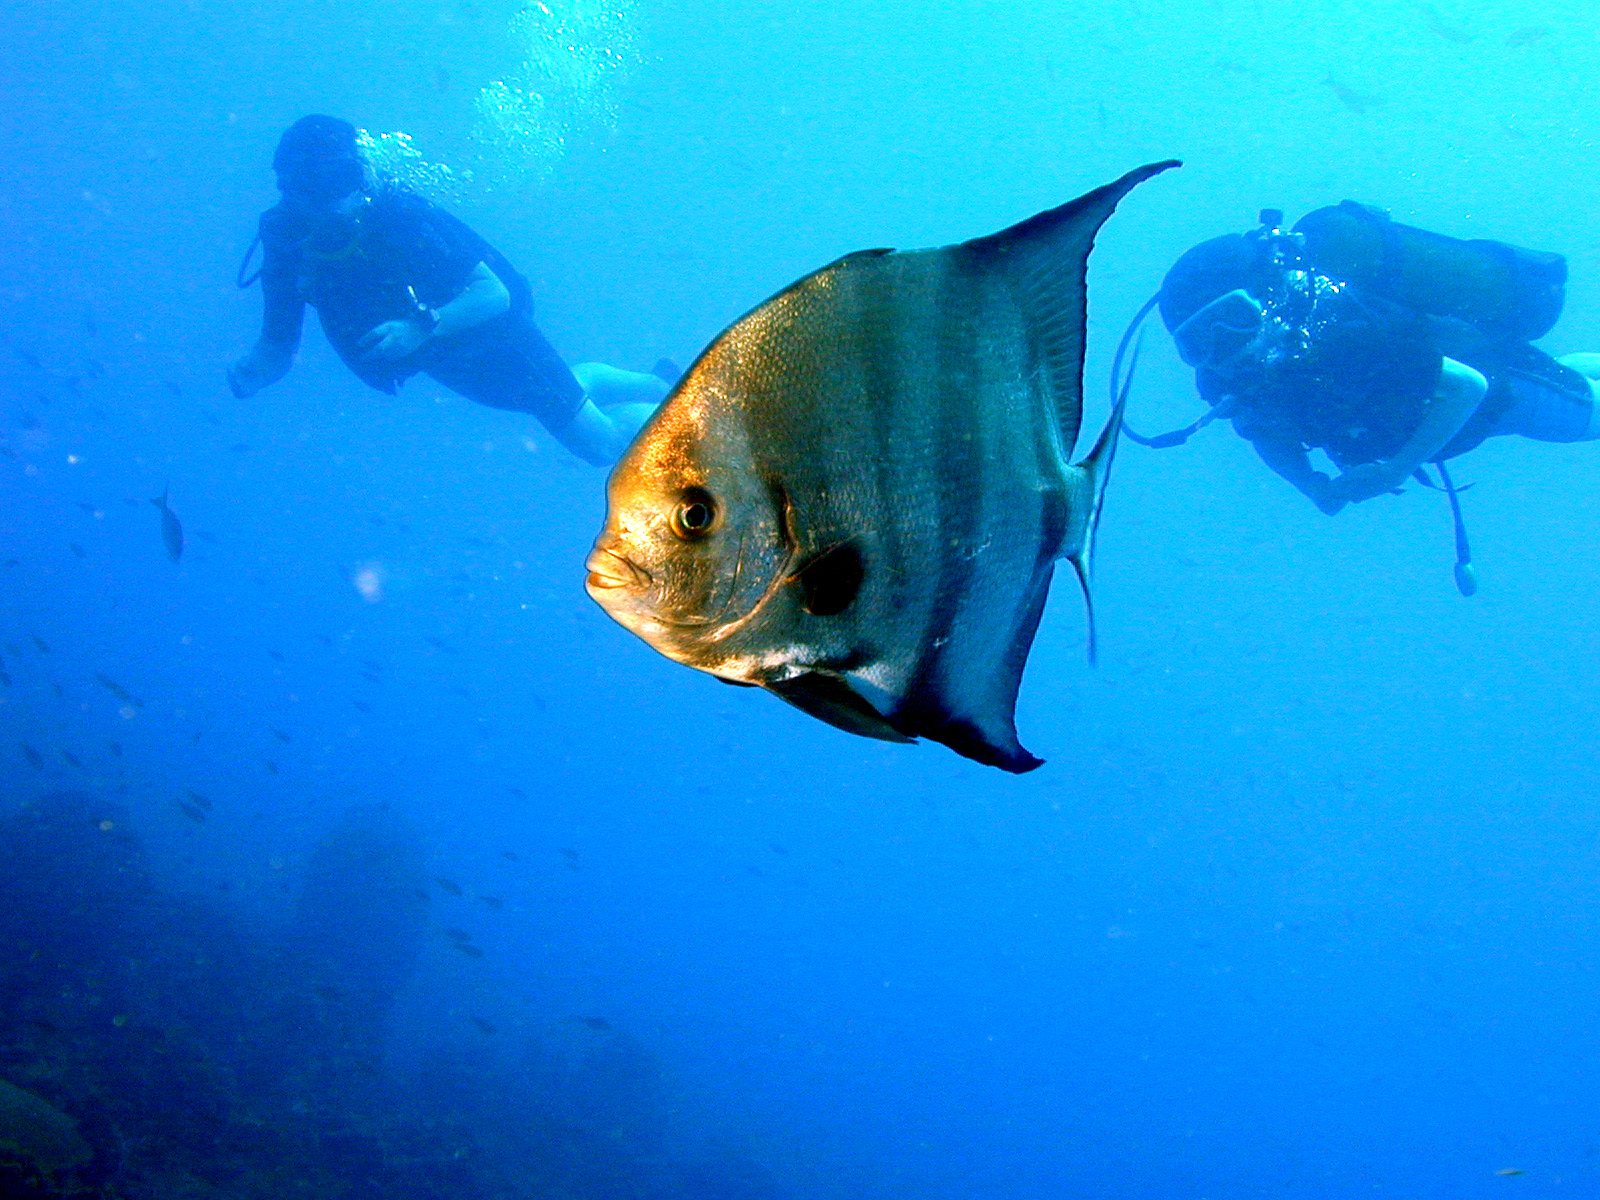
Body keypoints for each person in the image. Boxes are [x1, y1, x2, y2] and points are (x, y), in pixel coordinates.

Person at [230, 115, 668, 466]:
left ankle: (690, 414)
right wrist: (255, 371)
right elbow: (277, 344)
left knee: (601, 445)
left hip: (496, 335)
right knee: (558, 398)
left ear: (360, 175)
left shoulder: (397, 214)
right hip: (439, 357)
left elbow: (495, 294)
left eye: (340, 181)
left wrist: (421, 329)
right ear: (288, 190)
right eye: (310, 187)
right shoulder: (286, 241)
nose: (330, 202)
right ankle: (659, 383)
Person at [1130, 202, 1600, 518]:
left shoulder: (1350, 329)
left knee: (1586, 412)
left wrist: (1394, 471)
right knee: (1572, 377)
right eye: (1197, 344)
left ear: (1267, 297)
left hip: (1502, 390)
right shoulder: (1230, 377)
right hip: (1464, 411)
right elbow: (1263, 432)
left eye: (1232, 318)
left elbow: (1467, 386)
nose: (1221, 347)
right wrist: (1309, 483)